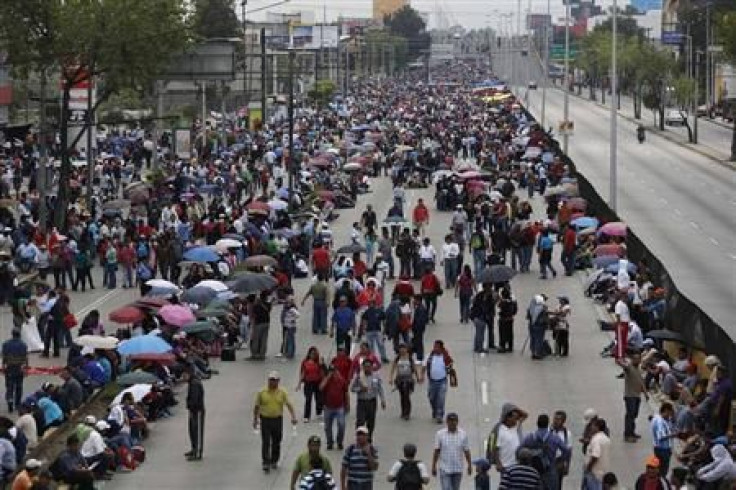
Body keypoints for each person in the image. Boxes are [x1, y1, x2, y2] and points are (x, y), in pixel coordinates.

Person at [253, 371, 298, 473]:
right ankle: (265, 462)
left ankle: (274, 460)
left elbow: (289, 404)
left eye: (274, 380)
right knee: (266, 441)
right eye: (270, 380)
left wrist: (293, 417)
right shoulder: (262, 392)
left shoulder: (282, 392)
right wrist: (255, 420)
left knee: (277, 441)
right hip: (265, 419)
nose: (272, 382)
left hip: (277, 419)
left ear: (278, 381)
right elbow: (256, 406)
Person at [520, 413, 570, 490]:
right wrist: (561, 461)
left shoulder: (530, 437)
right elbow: (566, 450)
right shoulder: (554, 437)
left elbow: (519, 450)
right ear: (548, 424)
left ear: (537, 423)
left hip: (533, 471)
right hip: (550, 471)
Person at [431, 413, 472, 490]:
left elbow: (466, 451)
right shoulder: (440, 434)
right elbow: (437, 451)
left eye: (454, 421)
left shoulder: (463, 434)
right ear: (447, 422)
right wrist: (434, 466)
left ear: (457, 422)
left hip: (457, 468)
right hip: (445, 468)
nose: (452, 423)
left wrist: (469, 465)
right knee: (446, 488)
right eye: (450, 421)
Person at [616, 353, 648, 443]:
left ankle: (632, 432)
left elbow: (641, 382)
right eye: (635, 359)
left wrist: (645, 393)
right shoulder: (629, 368)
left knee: (634, 415)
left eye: (638, 359)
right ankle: (627, 435)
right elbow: (622, 365)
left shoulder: (639, 369)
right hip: (630, 396)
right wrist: (619, 359)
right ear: (632, 359)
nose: (637, 360)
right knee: (630, 415)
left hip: (637, 395)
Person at [350, 359, 386, 440]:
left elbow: (380, 389)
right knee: (360, 422)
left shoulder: (376, 376)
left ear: (372, 367)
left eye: (369, 367)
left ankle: (369, 438)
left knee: (371, 422)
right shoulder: (359, 376)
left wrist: (383, 400)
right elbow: (352, 389)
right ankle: (359, 438)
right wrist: (360, 389)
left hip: (372, 402)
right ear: (363, 367)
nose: (367, 368)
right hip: (362, 402)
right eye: (365, 367)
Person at [320, 364, 348, 450]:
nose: (333, 373)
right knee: (327, 426)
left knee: (341, 424)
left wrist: (347, 404)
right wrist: (328, 377)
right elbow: (321, 388)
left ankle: (339, 441)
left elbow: (346, 392)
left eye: (334, 371)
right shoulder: (326, 380)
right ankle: (329, 442)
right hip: (328, 407)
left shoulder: (341, 380)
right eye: (331, 371)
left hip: (339, 406)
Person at [424, 340, 454, 423]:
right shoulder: (429, 356)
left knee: (441, 399)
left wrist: (451, 376)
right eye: (434, 346)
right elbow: (424, 366)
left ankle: (439, 415)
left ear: (441, 348)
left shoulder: (445, 356)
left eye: (437, 347)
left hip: (442, 381)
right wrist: (421, 376)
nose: (435, 348)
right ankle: (435, 410)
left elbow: (450, 367)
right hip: (432, 381)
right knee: (431, 397)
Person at [389, 343, 419, 420]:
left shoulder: (410, 358)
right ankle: (403, 411)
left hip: (408, 379)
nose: (402, 350)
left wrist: (417, 377)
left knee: (406, 395)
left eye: (404, 348)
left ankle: (407, 413)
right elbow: (393, 368)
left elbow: (414, 368)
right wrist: (390, 378)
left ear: (407, 349)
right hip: (400, 379)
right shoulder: (397, 358)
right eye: (401, 348)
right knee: (402, 396)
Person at [2, 329, 28, 413]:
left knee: (9, 385)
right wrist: (26, 368)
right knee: (19, 386)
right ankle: (17, 404)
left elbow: (4, 357)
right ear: (19, 335)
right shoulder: (23, 345)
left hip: (9, 368)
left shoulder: (6, 344)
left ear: (12, 334)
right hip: (19, 368)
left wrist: (3, 366)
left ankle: (10, 400)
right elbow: (25, 358)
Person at [297, 347, 325, 423]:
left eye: (315, 354)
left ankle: (319, 412)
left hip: (317, 382)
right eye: (312, 353)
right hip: (308, 383)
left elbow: (322, 372)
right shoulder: (305, 362)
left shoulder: (318, 362)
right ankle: (306, 416)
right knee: (308, 399)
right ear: (309, 354)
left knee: (319, 398)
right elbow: (303, 373)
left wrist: (323, 382)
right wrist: (299, 383)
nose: (313, 355)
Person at [583, 418, 611, 489]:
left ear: (597, 427)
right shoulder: (606, 439)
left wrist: (589, 467)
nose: (591, 428)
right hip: (603, 471)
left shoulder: (596, 439)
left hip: (594, 472)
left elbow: (595, 455)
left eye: (593, 426)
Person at [185, 363, 205, 461]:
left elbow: (194, 399)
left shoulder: (194, 383)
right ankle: (193, 448)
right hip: (193, 411)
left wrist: (191, 408)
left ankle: (197, 452)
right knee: (192, 431)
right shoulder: (191, 382)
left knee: (197, 432)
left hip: (197, 411)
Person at [650, 402, 676, 477]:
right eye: (671, 412)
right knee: (663, 470)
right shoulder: (659, 422)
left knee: (660, 468)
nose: (671, 415)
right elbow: (661, 437)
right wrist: (673, 435)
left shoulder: (663, 419)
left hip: (661, 449)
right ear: (666, 410)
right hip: (663, 449)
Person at [551, 410, 573, 489]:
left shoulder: (567, 434)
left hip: (559, 462)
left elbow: (569, 450)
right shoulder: (548, 431)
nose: (555, 421)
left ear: (563, 421)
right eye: (554, 419)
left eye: (558, 419)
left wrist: (567, 466)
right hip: (548, 461)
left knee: (558, 485)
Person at [526, 294, 549, 360]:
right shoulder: (544, 307)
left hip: (531, 325)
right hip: (540, 326)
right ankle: (538, 353)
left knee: (533, 338)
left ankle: (533, 352)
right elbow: (545, 318)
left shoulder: (531, 307)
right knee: (539, 339)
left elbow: (527, 316)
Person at [497, 287, 518, 353]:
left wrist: (501, 300)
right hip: (510, 319)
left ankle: (502, 346)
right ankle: (510, 346)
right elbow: (515, 310)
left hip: (503, 319)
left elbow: (499, 306)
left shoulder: (503, 302)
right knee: (510, 333)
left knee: (502, 333)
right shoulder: (513, 301)